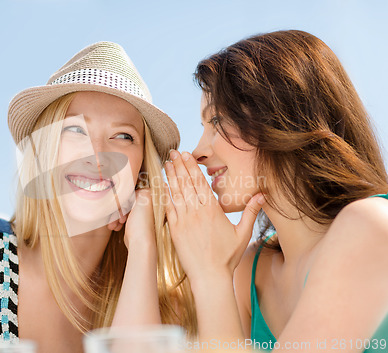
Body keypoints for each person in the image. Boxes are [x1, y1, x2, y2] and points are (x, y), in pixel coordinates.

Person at [0, 42, 195, 353]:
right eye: (75, 129)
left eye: (123, 136)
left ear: (140, 172)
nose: (96, 155)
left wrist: (142, 246)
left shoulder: (159, 305)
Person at [164, 30, 388, 352]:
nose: (198, 152)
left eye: (217, 120)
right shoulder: (249, 271)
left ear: (283, 116)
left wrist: (210, 275)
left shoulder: (371, 225)